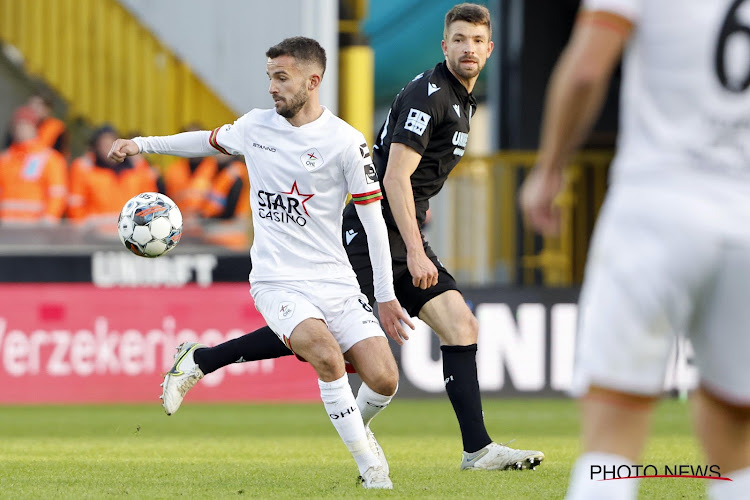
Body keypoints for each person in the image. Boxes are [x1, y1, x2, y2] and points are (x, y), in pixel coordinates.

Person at [160, 3, 545, 472]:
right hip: (373, 234)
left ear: (489, 48)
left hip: (401, 232)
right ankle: (202, 360)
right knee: (320, 337)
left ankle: (476, 449)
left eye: (476, 41)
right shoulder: (430, 96)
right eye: (459, 40)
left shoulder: (463, 99)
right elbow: (395, 178)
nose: (468, 48)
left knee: (460, 327)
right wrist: (417, 250)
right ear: (444, 46)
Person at [108, 36, 414, 490]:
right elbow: (204, 141)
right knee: (327, 358)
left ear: (314, 81)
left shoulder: (347, 143)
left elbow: (373, 225)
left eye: (281, 78)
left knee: (385, 379)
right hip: (277, 279)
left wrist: (385, 296)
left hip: (336, 280)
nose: (272, 87)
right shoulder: (256, 127)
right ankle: (372, 469)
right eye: (269, 76)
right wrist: (141, 144)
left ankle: (356, 429)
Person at [519, 1, 750, 499]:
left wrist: (549, 169)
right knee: (738, 441)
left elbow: (585, 70)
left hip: (656, 208)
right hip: (746, 216)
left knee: (612, 435)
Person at [68, 125, 158, 232]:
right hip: (95, 235)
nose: (108, 148)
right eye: (104, 144)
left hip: (132, 233)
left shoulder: (138, 169)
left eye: (111, 143)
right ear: (95, 147)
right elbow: (76, 205)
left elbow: (150, 202)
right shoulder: (84, 169)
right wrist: (83, 230)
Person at [0, 106, 67, 225]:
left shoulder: (49, 158)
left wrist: (49, 219)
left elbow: (57, 193)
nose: (20, 130)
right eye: (17, 126)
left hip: (35, 227)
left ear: (35, 128)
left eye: (25, 125)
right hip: (6, 227)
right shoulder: (5, 158)